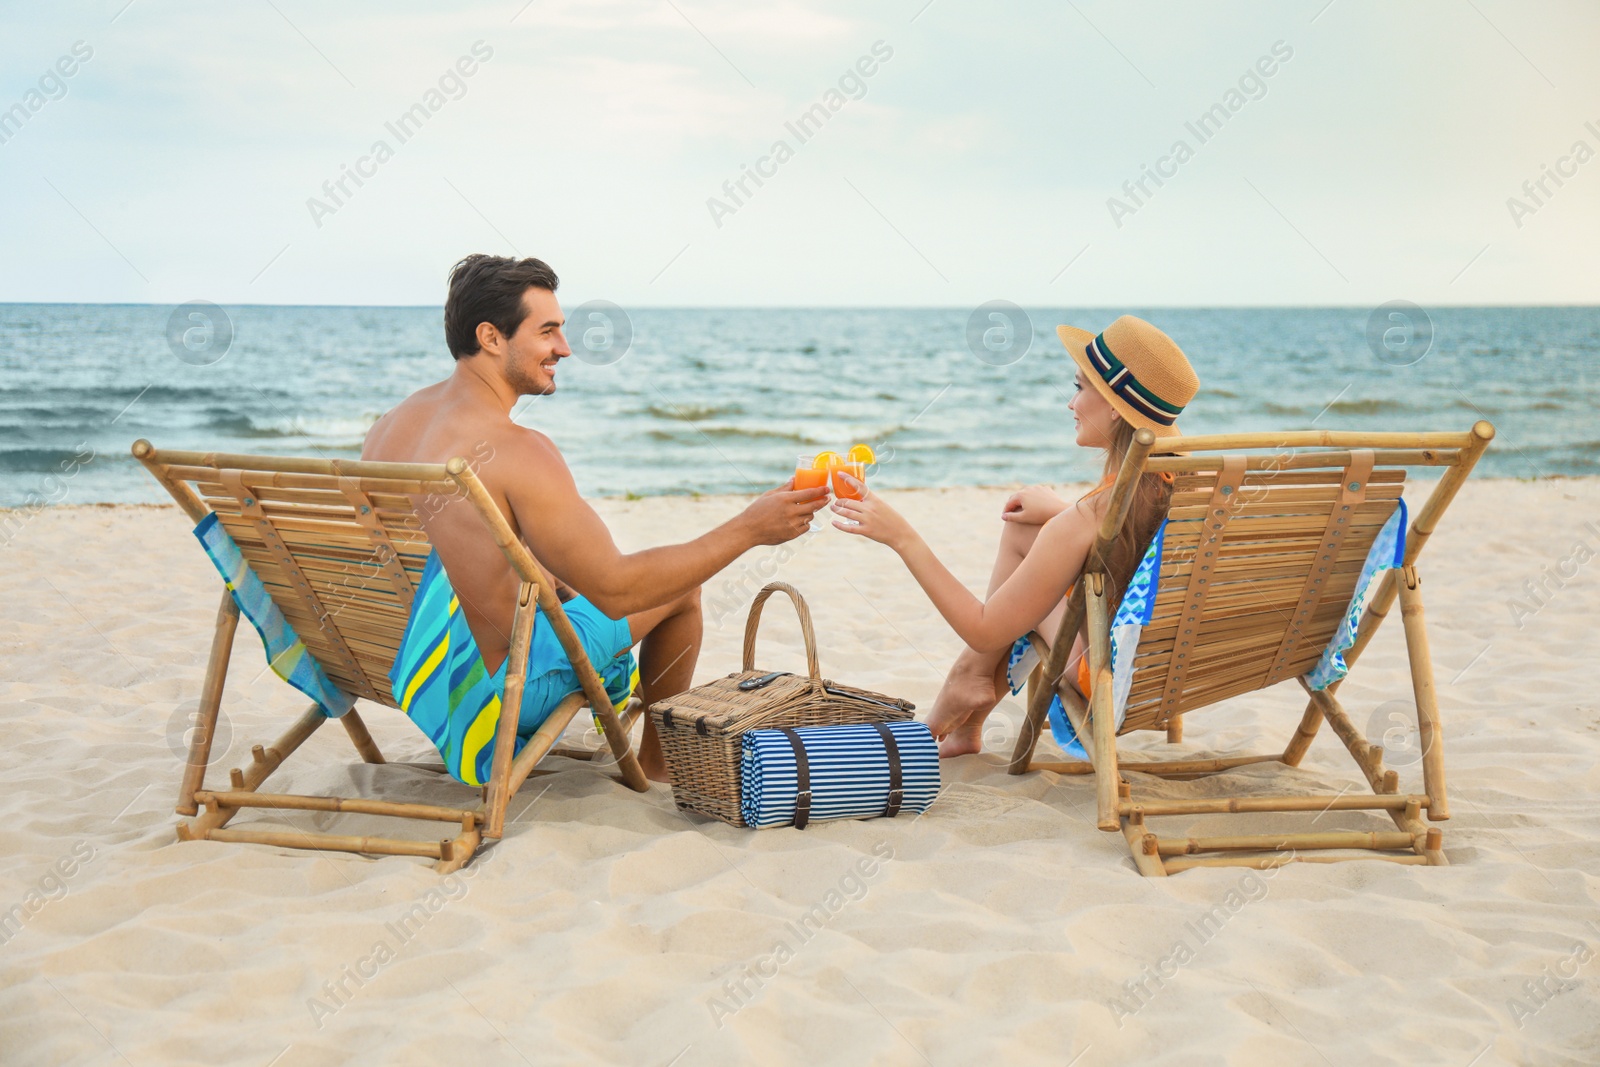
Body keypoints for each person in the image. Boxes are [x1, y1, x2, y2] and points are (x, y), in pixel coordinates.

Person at [364, 255, 828, 782]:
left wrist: (547, 578)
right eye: (548, 332)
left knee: (570, 584)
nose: (564, 348)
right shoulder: (518, 450)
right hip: (492, 690)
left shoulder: (391, 426)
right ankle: (656, 762)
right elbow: (618, 589)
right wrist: (749, 529)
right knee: (677, 593)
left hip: (410, 666)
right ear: (492, 337)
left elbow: (452, 547)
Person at [829, 315, 1199, 757]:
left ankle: (967, 679)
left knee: (1014, 580)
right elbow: (1134, 547)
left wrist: (902, 536)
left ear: (1115, 408)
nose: (1071, 403)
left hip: (1110, 679)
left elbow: (985, 630)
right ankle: (969, 692)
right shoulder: (1188, 487)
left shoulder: (1090, 516)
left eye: (1079, 388)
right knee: (1027, 526)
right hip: (1180, 671)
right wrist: (1061, 515)